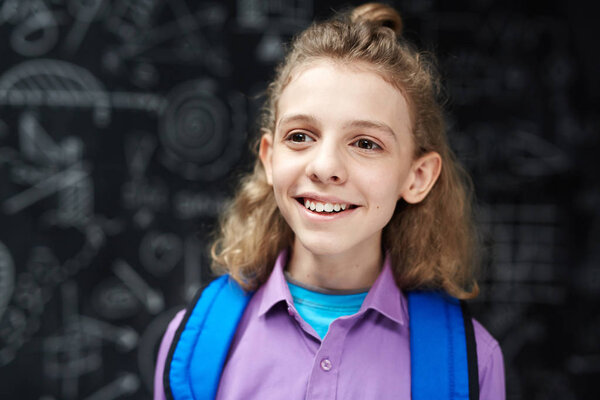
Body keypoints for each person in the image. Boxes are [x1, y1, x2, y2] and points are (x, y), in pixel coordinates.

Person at [154, 2, 505, 399]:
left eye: (365, 143)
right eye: (300, 136)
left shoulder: (470, 364)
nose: (325, 167)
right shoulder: (196, 350)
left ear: (417, 176)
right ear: (269, 158)